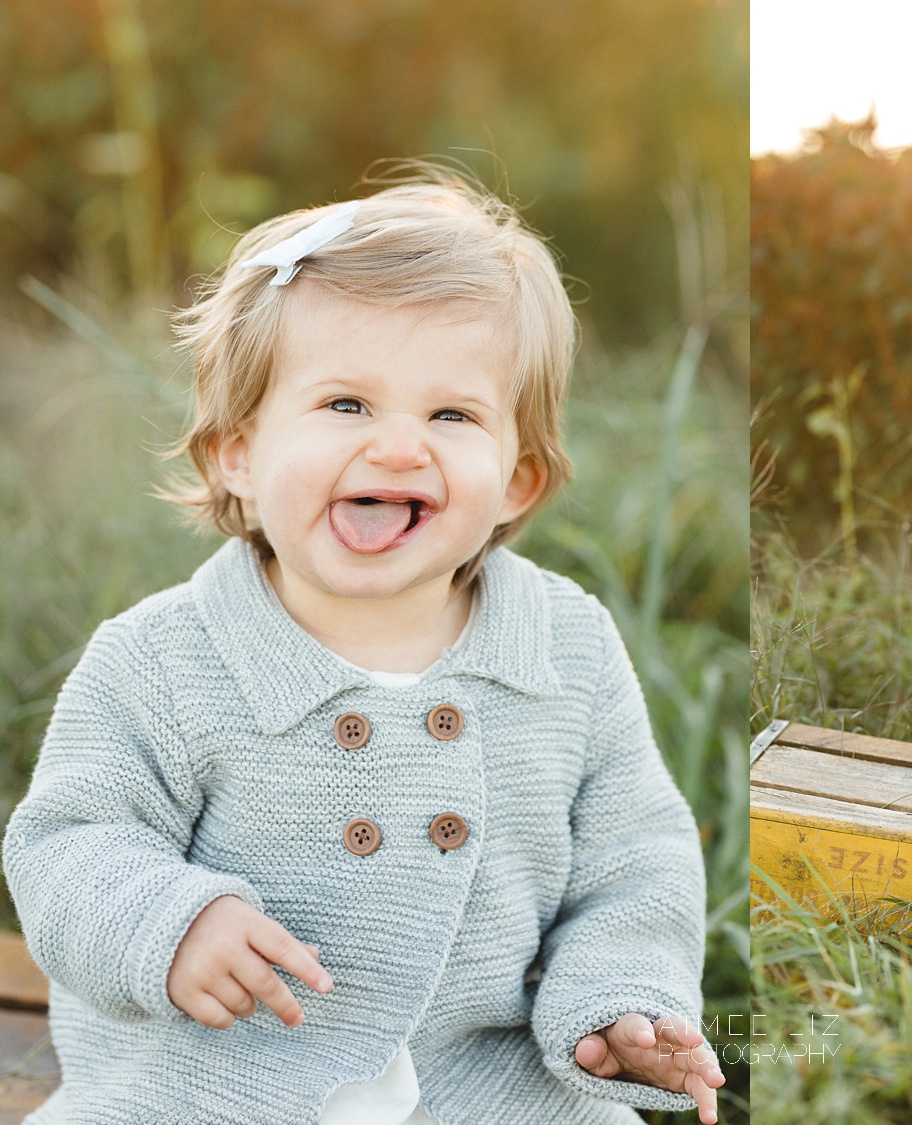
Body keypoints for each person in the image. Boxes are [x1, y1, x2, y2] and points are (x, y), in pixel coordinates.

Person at [2, 170, 723, 1123]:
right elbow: (69, 842)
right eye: (346, 404)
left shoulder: (567, 649)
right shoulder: (162, 659)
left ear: (518, 479)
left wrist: (617, 997)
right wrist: (170, 922)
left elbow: (634, 859)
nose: (396, 447)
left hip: (484, 1083)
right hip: (214, 1081)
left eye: (451, 414)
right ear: (239, 453)